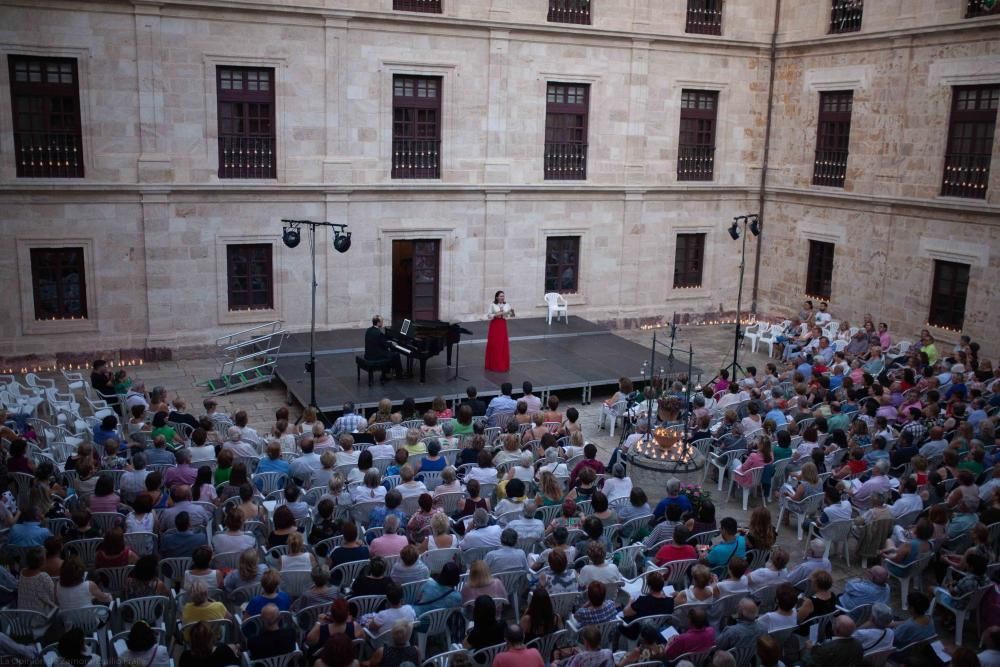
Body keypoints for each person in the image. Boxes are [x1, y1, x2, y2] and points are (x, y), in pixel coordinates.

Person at [621, 570, 674, 639]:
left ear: (649, 586)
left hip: (641, 629)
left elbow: (626, 613)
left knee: (620, 614)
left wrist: (630, 601)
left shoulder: (643, 600)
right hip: (660, 627)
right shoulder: (670, 601)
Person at [365, 315, 404, 382]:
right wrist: (392, 343)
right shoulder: (378, 333)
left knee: (388, 353)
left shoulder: (369, 330)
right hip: (375, 356)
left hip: (368, 354)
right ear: (378, 323)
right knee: (396, 355)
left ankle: (387, 373)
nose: (382, 323)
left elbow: (380, 342)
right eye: (382, 322)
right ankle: (399, 374)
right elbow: (386, 344)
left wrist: (387, 342)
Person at [485, 290, 514, 372]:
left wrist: (511, 313)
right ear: (497, 297)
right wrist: (495, 315)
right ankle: (493, 365)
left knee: (502, 344)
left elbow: (510, 315)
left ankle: (502, 364)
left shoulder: (507, 305)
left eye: (503, 296)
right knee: (494, 344)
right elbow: (489, 315)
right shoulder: (492, 305)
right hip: (495, 325)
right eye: (500, 296)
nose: (502, 297)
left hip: (502, 325)